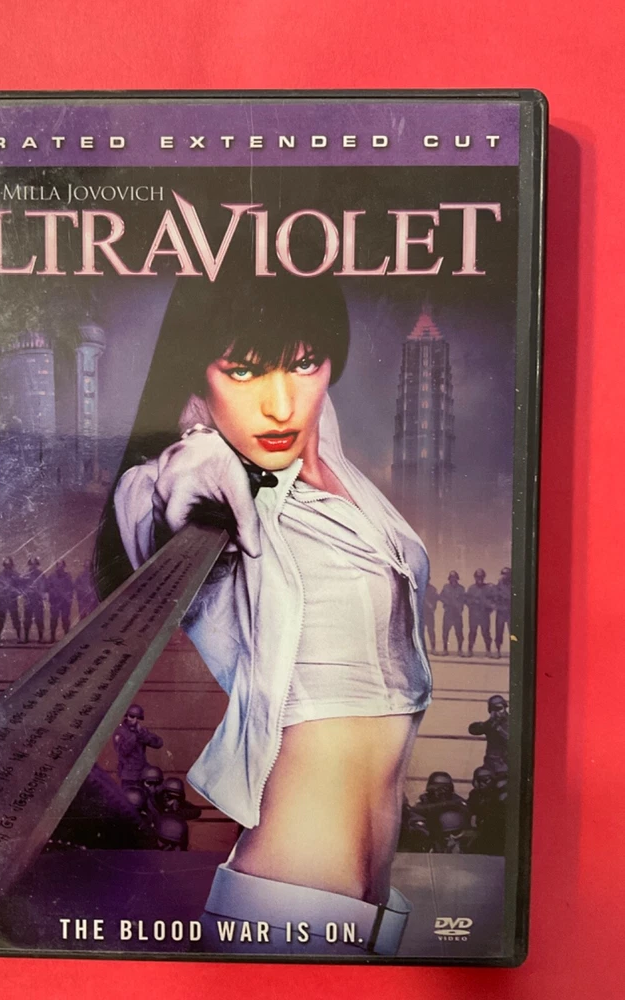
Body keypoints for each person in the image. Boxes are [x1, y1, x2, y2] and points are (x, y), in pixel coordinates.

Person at [95, 268, 432, 956]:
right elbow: (159, 496)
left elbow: (310, 421)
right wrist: (188, 466)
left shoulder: (335, 467)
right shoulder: (206, 474)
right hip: (285, 907)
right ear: (196, 376)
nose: (280, 405)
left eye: (304, 363)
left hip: (375, 915)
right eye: (243, 370)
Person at [112, 706, 164, 787]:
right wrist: (133, 737)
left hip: (142, 773)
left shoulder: (140, 730)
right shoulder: (120, 732)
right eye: (132, 716)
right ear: (127, 716)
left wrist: (142, 734)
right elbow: (123, 751)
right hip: (129, 775)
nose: (134, 720)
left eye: (137, 718)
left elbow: (158, 743)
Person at [468, 695, 509, 774]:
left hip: (505, 763)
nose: (497, 713)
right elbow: (473, 730)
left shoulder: (510, 722)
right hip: (491, 763)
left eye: (499, 709)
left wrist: (500, 731)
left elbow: (513, 742)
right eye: (494, 709)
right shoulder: (491, 724)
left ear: (504, 707)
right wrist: (486, 724)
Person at [465, 568, 494, 657]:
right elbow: (466, 600)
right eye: (477, 577)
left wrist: (488, 609)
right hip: (474, 615)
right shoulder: (471, 588)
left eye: (481, 577)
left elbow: (493, 600)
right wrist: (473, 603)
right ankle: (470, 650)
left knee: (486, 633)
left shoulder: (488, 588)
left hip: (484, 615)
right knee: (472, 632)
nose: (479, 579)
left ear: (484, 577)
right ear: (475, 577)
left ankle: (488, 650)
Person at [0, 557, 23, 641]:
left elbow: (20, 587)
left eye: (9, 565)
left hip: (12, 599)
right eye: (6, 565)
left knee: (15, 618)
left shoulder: (16, 575)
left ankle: (19, 636)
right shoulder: (0, 575)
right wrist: (1, 590)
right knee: (0, 618)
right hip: (2, 599)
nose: (7, 566)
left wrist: (15, 591)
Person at [438, 571, 466, 655]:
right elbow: (441, 597)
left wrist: (459, 606)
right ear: (449, 579)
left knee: (459, 632)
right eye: (451, 578)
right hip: (448, 613)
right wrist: (447, 602)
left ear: (457, 578)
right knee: (445, 632)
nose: (453, 579)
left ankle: (460, 650)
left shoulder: (461, 588)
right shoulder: (446, 587)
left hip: (457, 614)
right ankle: (445, 649)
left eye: (454, 578)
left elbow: (464, 599)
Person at [47, 560, 74, 641]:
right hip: (55, 601)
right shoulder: (51, 576)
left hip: (64, 602)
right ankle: (52, 637)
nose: (60, 567)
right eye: (58, 565)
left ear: (64, 566)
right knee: (54, 619)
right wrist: (54, 593)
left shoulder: (67, 576)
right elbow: (47, 587)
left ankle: (67, 637)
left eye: (61, 565)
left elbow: (71, 588)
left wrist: (68, 597)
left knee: (65, 619)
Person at [22, 557, 46, 642]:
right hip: (29, 599)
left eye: (35, 564)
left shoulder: (41, 574)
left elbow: (43, 586)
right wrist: (27, 591)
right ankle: (26, 638)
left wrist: (39, 591)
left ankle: (41, 638)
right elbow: (22, 587)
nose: (33, 566)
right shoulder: (25, 575)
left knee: (39, 619)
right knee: (27, 619)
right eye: (31, 564)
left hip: (38, 599)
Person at [494, 566, 512, 657]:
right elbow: (495, 596)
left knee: (513, 633)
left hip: (510, 611)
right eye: (503, 574)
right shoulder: (499, 584)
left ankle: (515, 651)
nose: (505, 576)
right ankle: (498, 650)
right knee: (499, 632)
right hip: (501, 612)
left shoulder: (514, 584)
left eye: (506, 574)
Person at [423, 577, 438, 655]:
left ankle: (433, 648)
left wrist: (433, 607)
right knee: (420, 632)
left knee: (431, 631)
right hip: (420, 614)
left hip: (429, 614)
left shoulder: (433, 589)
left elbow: (435, 600)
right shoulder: (418, 588)